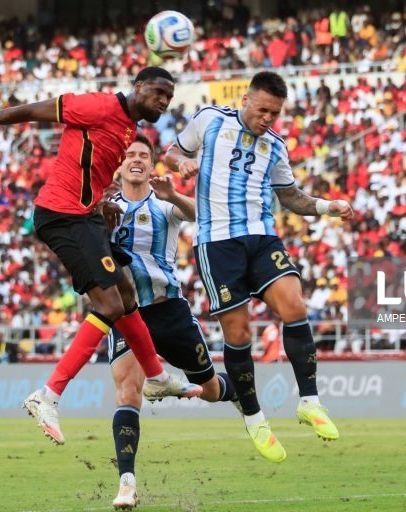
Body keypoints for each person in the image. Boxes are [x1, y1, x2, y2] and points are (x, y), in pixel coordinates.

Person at [0, 66, 202, 446]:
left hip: (83, 216)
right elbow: (27, 111)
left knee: (126, 293)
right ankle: (48, 395)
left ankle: (154, 376)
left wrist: (100, 201)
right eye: (157, 91)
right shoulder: (97, 106)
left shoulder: (128, 130)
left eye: (168, 96)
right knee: (108, 305)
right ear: (137, 86)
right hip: (62, 215)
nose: (163, 100)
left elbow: (89, 166)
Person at [164, 71, 353, 463]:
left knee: (294, 307)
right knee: (239, 331)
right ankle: (254, 418)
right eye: (263, 109)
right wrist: (181, 162)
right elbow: (171, 153)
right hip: (217, 243)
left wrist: (325, 207)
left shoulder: (276, 146)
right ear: (246, 99)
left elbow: (291, 197)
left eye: (275, 113)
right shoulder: (210, 120)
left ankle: (310, 402)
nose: (268, 119)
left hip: (261, 236)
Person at [103, 134, 239, 509]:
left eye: (143, 155)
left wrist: (174, 195)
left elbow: (202, 215)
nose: (136, 159)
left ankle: (236, 392)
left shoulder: (163, 204)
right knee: (128, 391)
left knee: (209, 389)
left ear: (150, 164)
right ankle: (127, 483)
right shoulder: (102, 205)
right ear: (119, 164)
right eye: (129, 154)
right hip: (126, 314)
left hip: (168, 310)